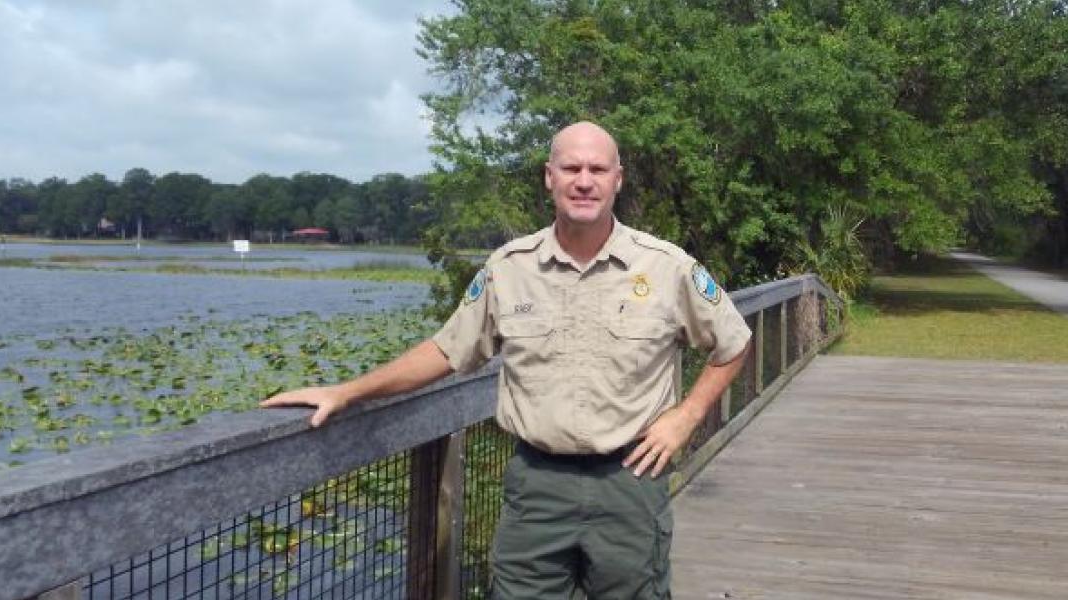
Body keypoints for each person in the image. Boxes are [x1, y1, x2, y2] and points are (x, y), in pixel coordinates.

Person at [261, 121, 751, 599]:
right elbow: (445, 351)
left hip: (631, 481)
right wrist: (347, 391)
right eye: (571, 168)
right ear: (549, 176)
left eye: (598, 169)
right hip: (536, 486)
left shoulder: (665, 266)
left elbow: (732, 341)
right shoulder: (509, 268)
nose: (584, 181)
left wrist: (686, 418)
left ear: (617, 179)